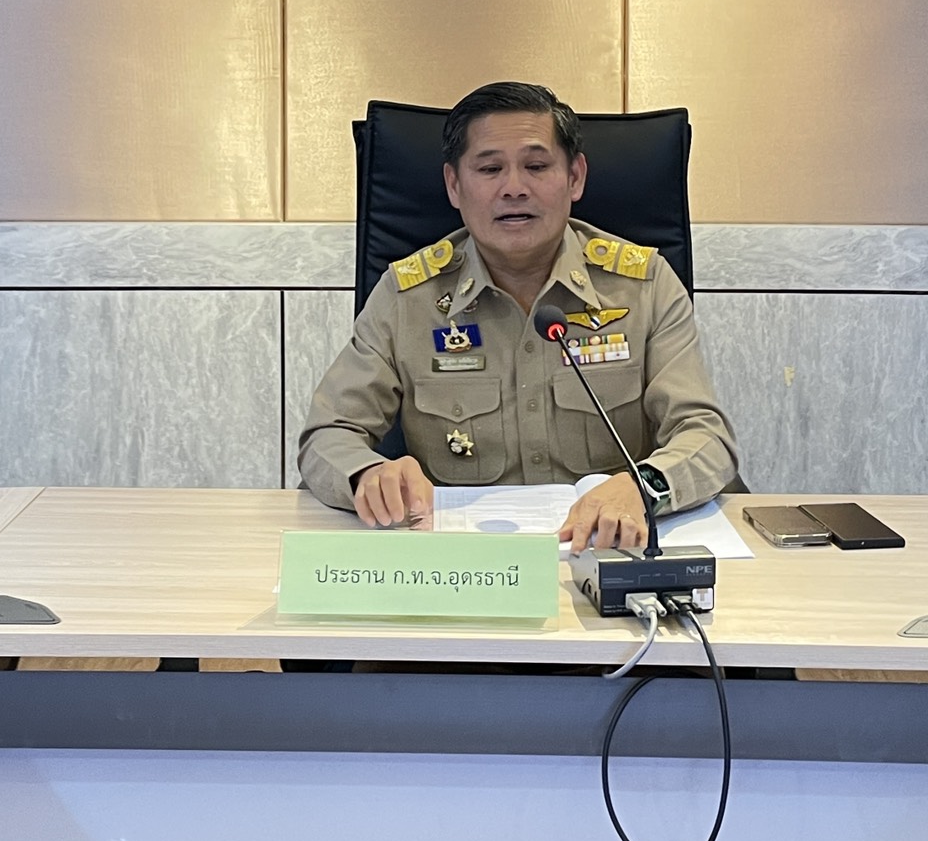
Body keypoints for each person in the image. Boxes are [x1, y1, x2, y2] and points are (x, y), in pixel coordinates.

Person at [299, 82, 738, 555]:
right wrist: (368, 474)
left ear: (575, 177)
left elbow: (706, 437)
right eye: (490, 169)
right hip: (466, 566)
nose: (514, 188)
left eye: (536, 166)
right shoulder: (407, 297)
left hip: (609, 553)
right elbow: (327, 435)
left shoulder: (644, 285)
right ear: (454, 186)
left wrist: (643, 486)